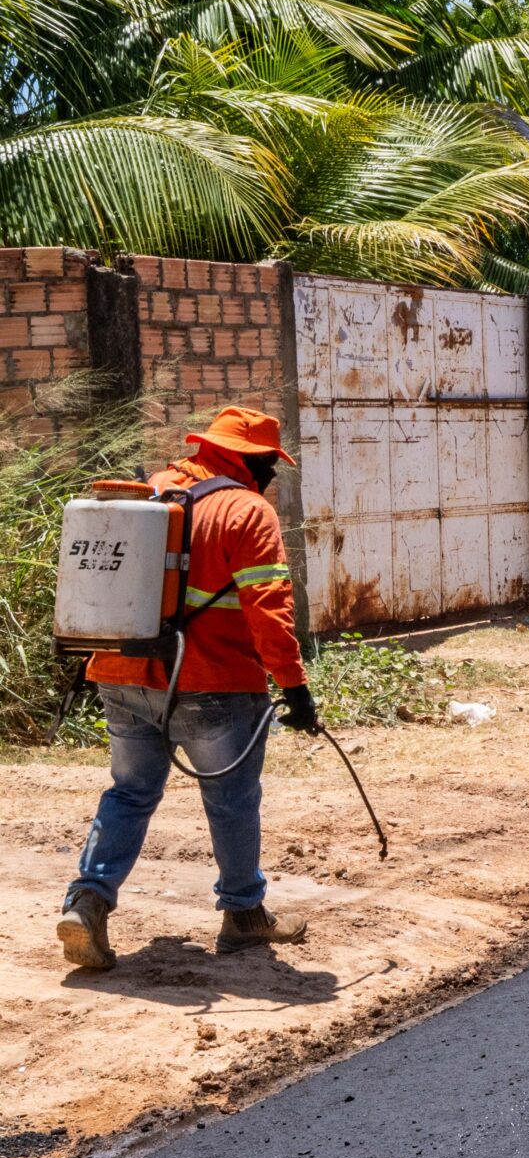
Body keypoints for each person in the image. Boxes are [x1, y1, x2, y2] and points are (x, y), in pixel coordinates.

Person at [56, 406, 321, 971]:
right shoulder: (247, 511)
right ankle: (245, 916)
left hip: (124, 675)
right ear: (252, 461)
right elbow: (269, 609)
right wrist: (294, 686)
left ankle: (87, 900)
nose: (271, 475)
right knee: (231, 801)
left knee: (128, 793)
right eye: (270, 464)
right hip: (214, 684)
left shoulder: (149, 492)